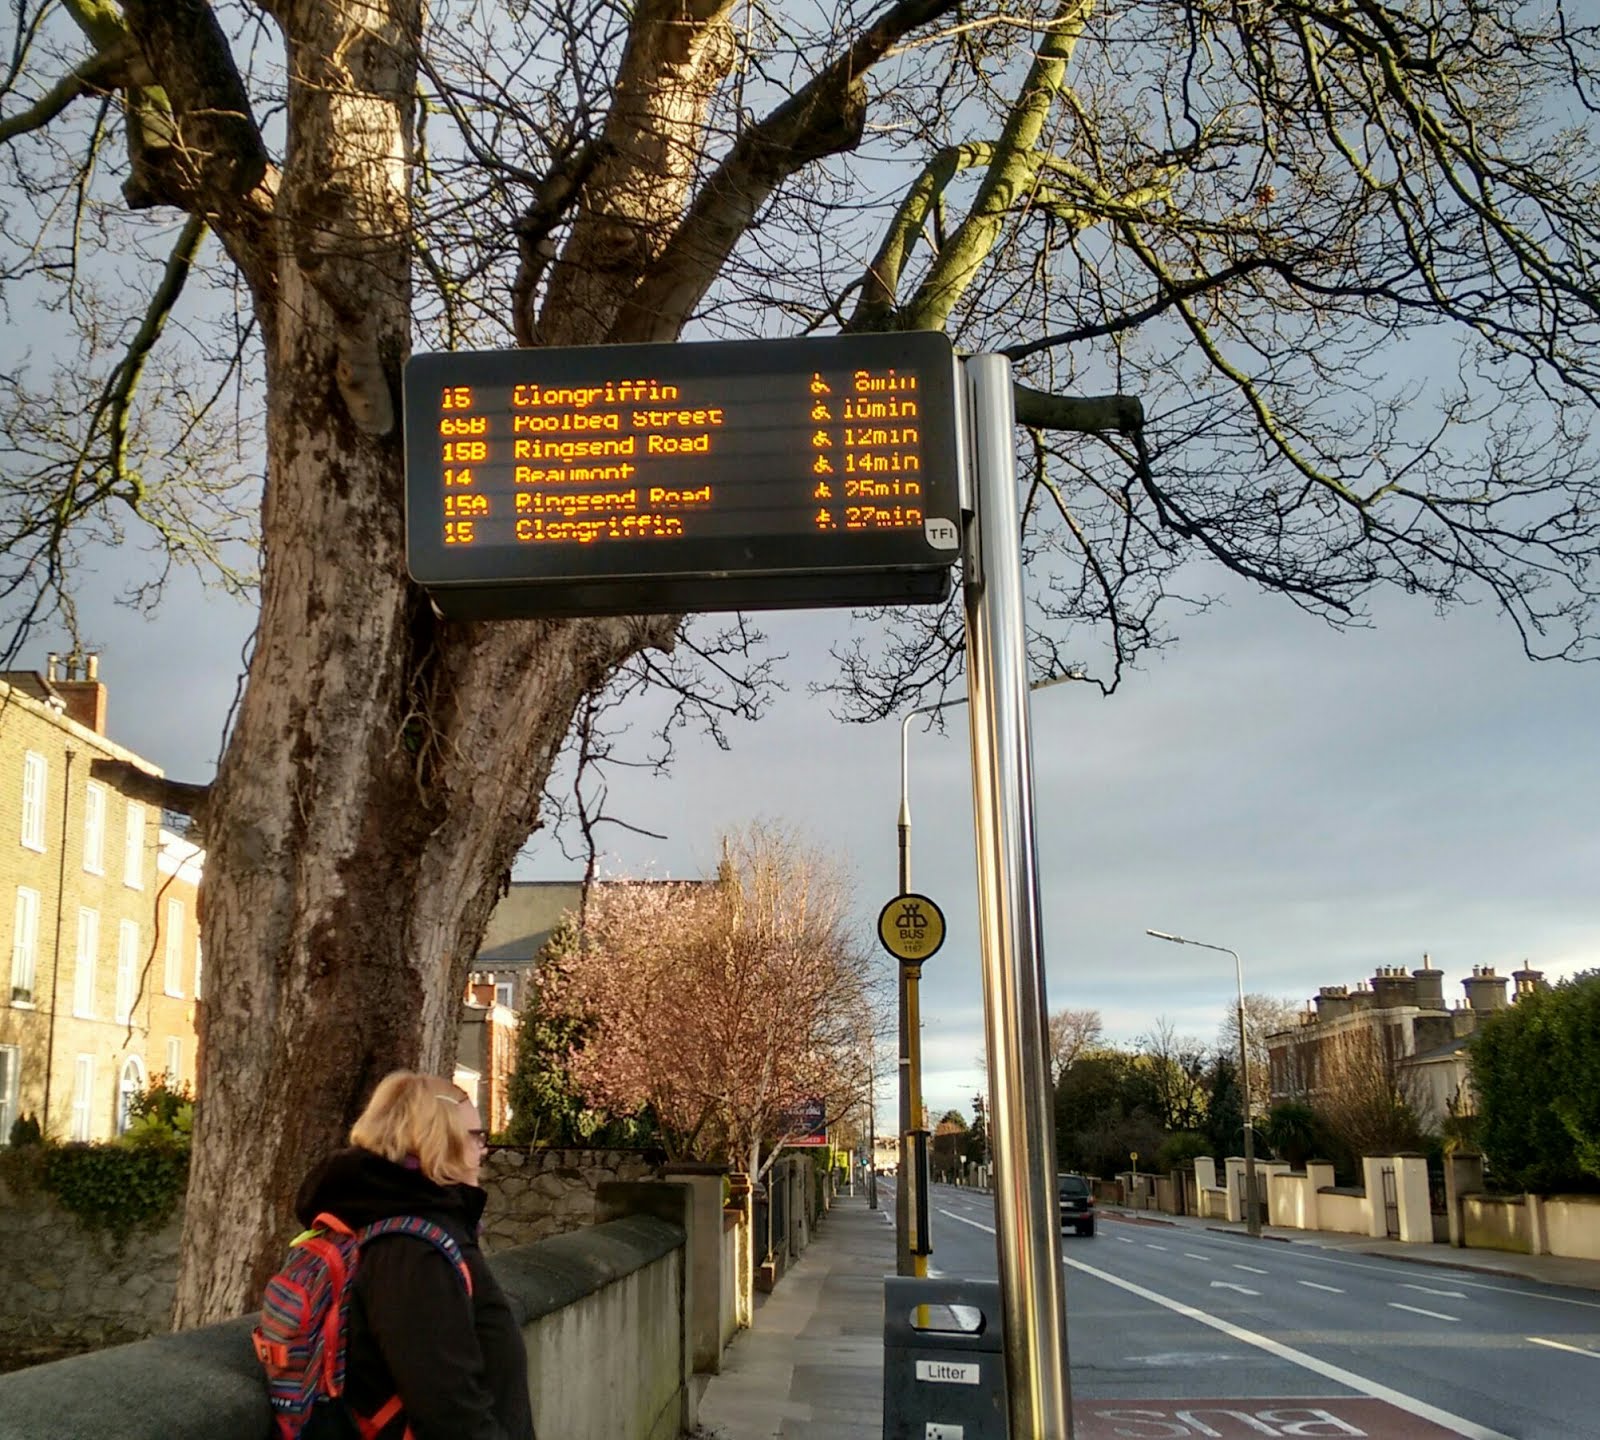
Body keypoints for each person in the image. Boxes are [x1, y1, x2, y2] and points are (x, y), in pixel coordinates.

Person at [293, 1071, 536, 1440]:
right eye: (476, 1136)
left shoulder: (406, 1227)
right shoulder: (412, 1251)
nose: (483, 1151)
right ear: (441, 1139)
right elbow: (451, 1414)